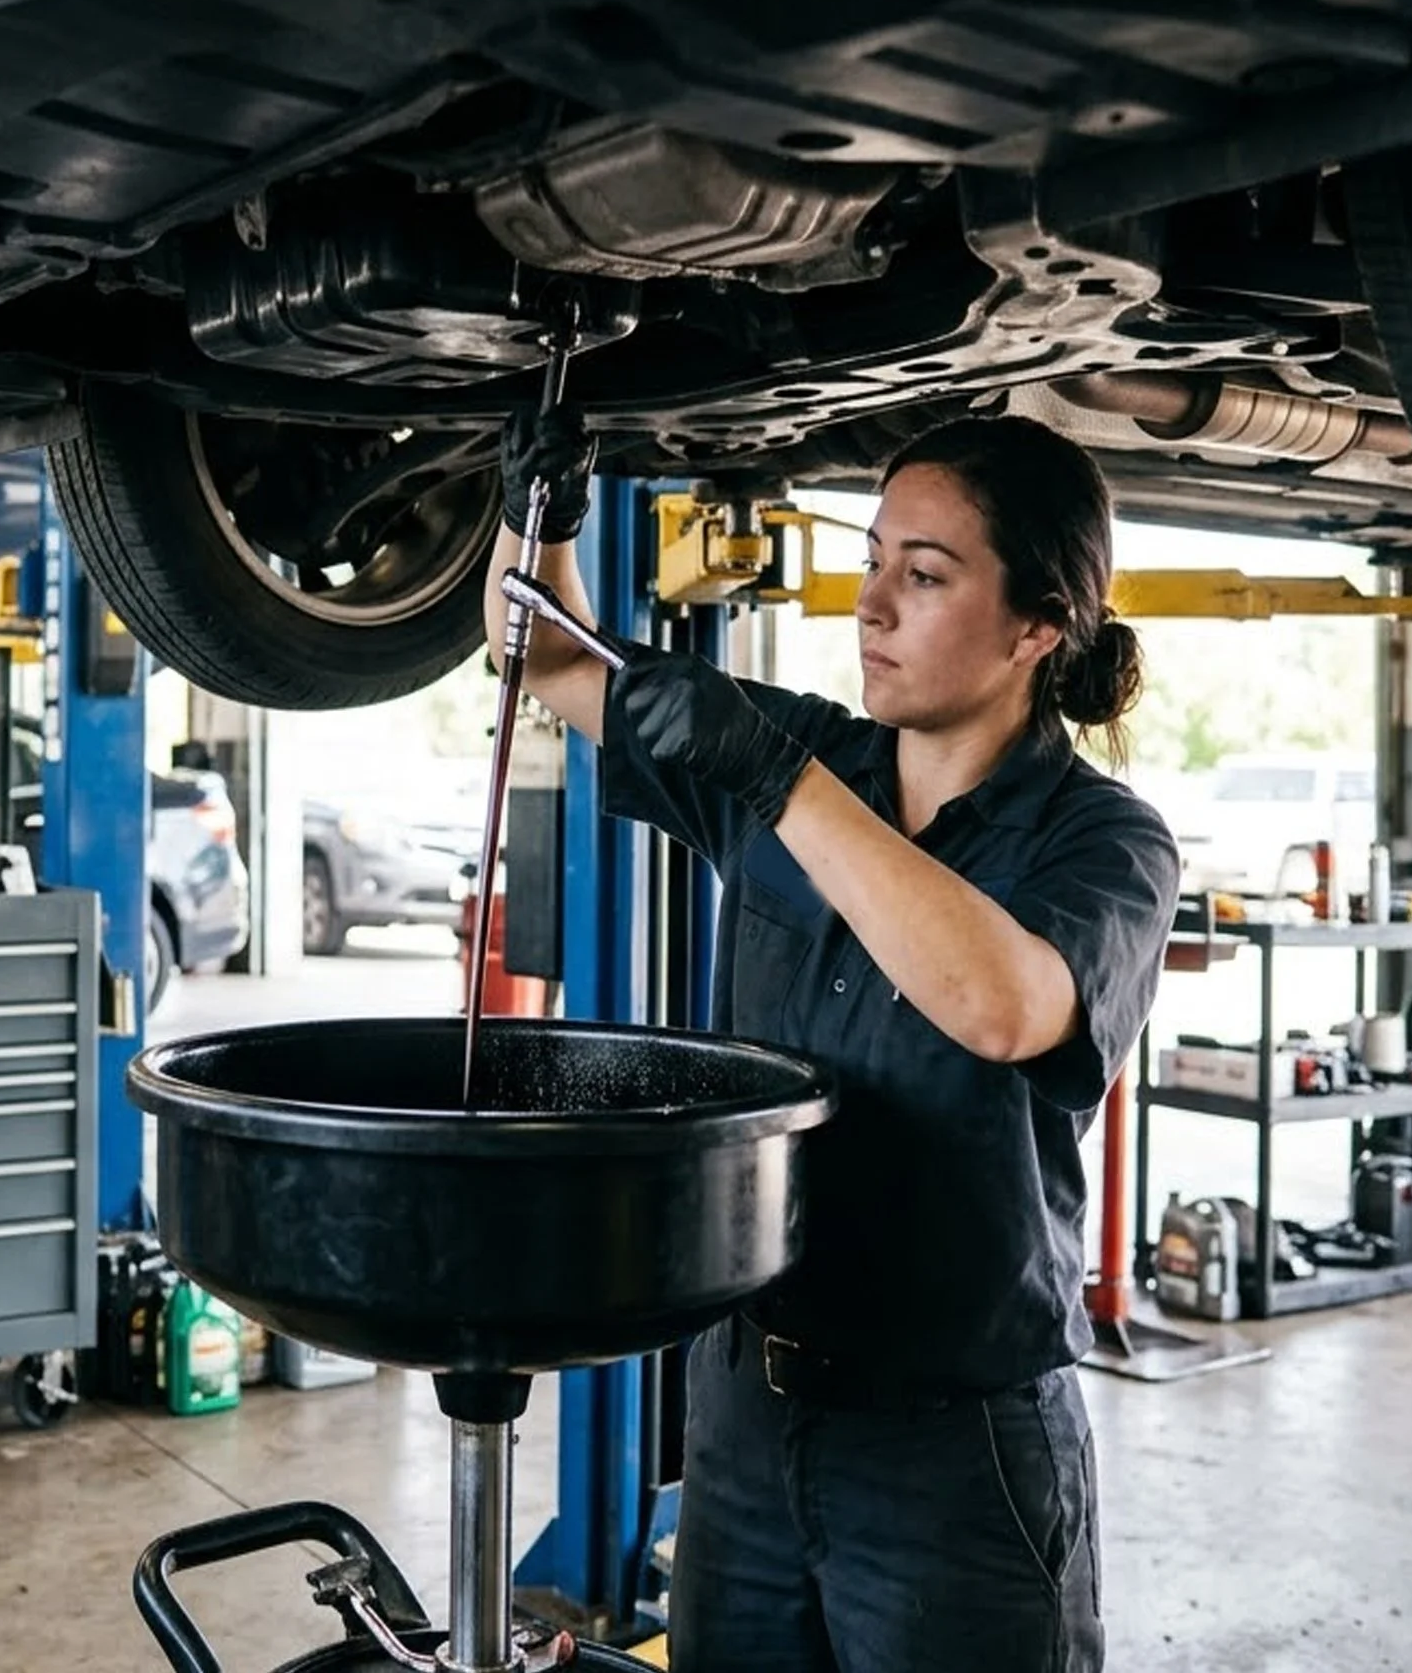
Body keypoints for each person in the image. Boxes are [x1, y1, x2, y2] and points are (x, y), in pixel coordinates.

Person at [485, 410, 1181, 1673]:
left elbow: (1002, 1005)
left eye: (924, 575)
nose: (872, 606)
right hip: (747, 1414)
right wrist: (540, 515)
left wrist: (778, 779)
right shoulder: (812, 754)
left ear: (1037, 627)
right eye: (871, 563)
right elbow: (540, 658)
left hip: (951, 1450)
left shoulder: (1104, 843)